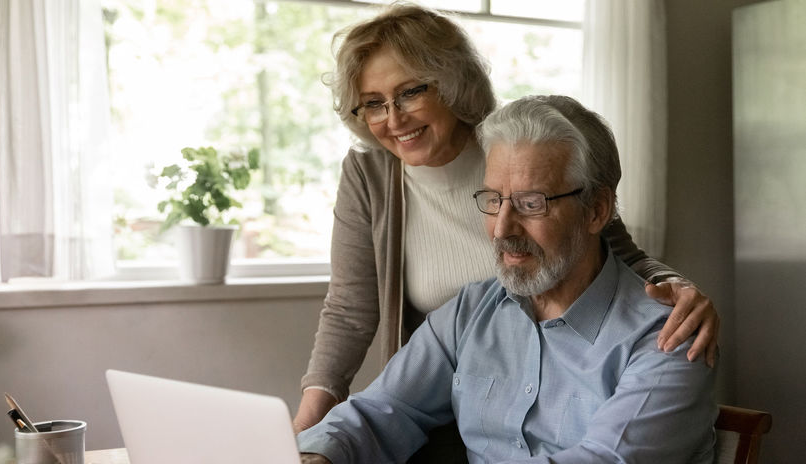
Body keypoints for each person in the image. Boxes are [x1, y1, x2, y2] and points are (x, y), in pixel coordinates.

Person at [295, 1, 719, 454]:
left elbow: (617, 252)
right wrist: (307, 441)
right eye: (492, 199)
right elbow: (355, 331)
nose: (500, 228)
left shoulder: (526, 144)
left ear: (450, 84)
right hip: (448, 410)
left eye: (530, 203)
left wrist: (677, 290)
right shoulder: (466, 313)